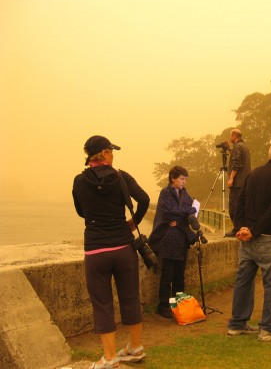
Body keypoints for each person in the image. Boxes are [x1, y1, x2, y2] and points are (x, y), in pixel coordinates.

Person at [72, 135, 149, 369]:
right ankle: (135, 348)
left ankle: (110, 357)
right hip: (123, 248)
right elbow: (144, 199)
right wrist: (133, 222)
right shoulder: (121, 177)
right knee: (130, 297)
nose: (113, 156)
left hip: (96, 250)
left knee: (103, 303)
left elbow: (80, 212)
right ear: (104, 154)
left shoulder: (79, 181)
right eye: (111, 152)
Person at [227, 142, 271, 341]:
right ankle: (268, 328)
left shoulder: (252, 174)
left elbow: (240, 203)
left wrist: (240, 229)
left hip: (247, 238)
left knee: (243, 281)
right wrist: (254, 231)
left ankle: (237, 324)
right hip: (268, 238)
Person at [149, 166, 197, 319]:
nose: (184, 182)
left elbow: (190, 209)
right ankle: (164, 306)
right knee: (167, 276)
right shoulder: (165, 193)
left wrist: (180, 217)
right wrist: (185, 213)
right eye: (182, 179)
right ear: (173, 179)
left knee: (179, 275)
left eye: (185, 179)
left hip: (181, 239)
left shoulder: (185, 194)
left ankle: (179, 304)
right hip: (168, 239)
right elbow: (168, 211)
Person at [226, 128, 251, 237]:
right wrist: (229, 150)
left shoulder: (237, 147)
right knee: (242, 207)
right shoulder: (244, 147)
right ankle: (242, 228)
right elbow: (239, 157)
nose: (230, 138)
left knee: (234, 208)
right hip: (245, 182)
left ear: (234, 136)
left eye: (231, 136)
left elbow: (237, 163)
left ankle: (237, 229)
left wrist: (231, 178)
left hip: (237, 183)